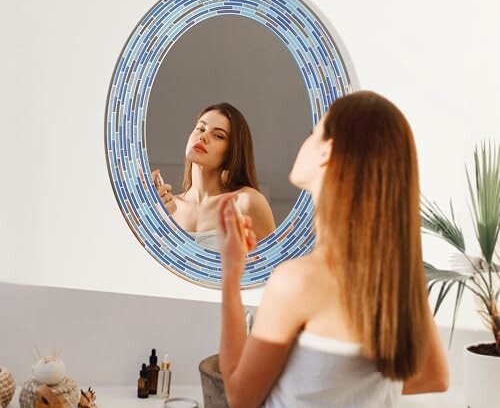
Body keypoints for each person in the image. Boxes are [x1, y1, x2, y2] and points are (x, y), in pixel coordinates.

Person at [216, 91, 449, 407]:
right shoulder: (398, 280)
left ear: (327, 151)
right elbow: (434, 376)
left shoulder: (297, 281)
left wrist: (231, 274)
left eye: (313, 134)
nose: (306, 141)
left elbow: (239, 397)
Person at [152, 102, 275, 250]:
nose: (203, 136)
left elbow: (272, 266)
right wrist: (151, 218)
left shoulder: (246, 202)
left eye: (218, 135)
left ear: (232, 152)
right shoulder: (166, 207)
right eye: (200, 128)